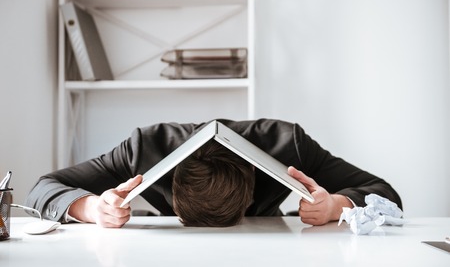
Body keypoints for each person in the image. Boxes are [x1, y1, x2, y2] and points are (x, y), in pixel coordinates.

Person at [26, 119, 402, 228]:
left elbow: (384, 192)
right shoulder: (145, 147)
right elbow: (43, 188)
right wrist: (92, 208)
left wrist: (337, 205)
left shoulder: (289, 145)